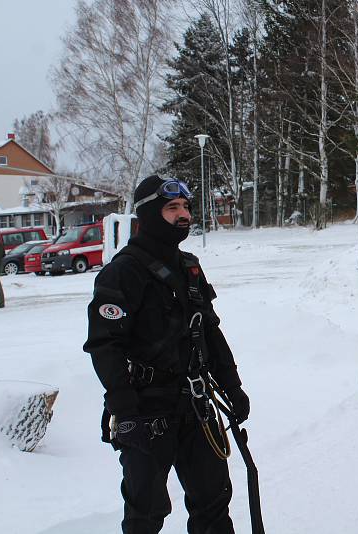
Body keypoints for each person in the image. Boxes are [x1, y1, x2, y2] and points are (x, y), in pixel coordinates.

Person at [83, 175, 250, 533]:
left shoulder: (189, 266)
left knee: (213, 504)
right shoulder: (122, 272)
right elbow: (104, 345)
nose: (183, 214)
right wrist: (124, 411)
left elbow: (209, 331)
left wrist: (231, 386)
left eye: (186, 207)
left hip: (196, 405)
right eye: (172, 207)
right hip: (146, 410)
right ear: (148, 214)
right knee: (146, 513)